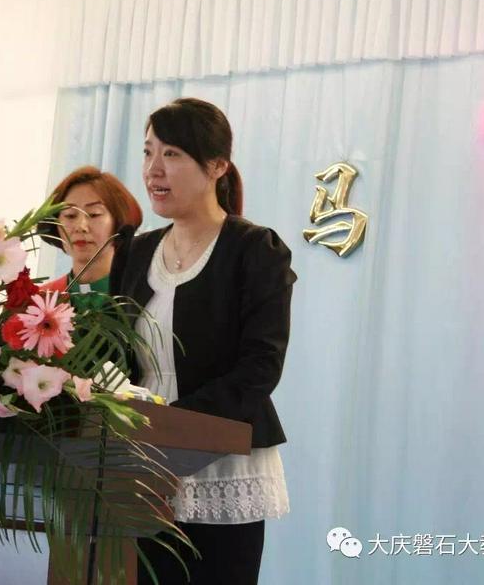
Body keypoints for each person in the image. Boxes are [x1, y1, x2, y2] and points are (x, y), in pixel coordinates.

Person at [110, 98, 296, 584]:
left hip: (220, 463)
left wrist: (174, 429)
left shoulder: (254, 249)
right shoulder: (135, 251)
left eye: (171, 154)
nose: (153, 170)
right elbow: (114, 357)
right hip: (140, 464)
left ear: (217, 166)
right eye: (148, 152)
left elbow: (260, 366)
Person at [39, 166, 143, 301]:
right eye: (70, 215)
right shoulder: (36, 302)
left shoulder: (143, 299)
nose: (80, 227)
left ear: (119, 222)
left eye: (94, 214)